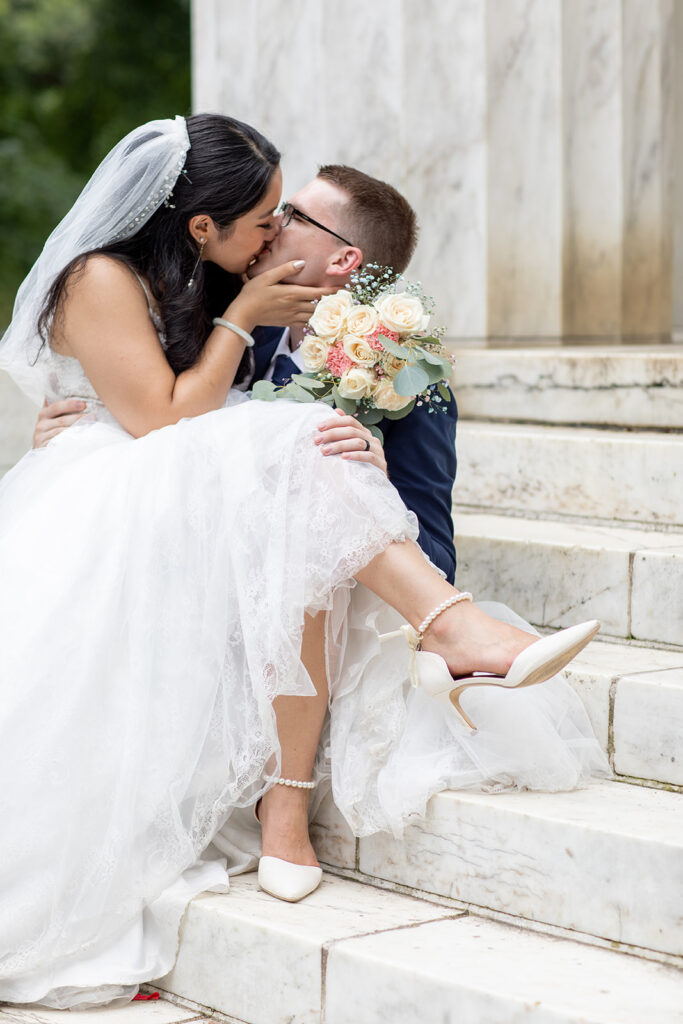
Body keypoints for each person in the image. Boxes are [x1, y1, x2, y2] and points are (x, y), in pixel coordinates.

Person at [0, 114, 607, 1010]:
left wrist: (359, 446)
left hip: (216, 508)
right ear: (201, 225)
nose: (272, 234)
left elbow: (408, 486)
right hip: (128, 503)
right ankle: (451, 628)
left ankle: (380, 702)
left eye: (287, 220)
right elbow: (165, 417)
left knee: (302, 479)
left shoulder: (372, 339)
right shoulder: (127, 278)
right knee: (288, 452)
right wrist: (237, 325)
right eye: (264, 219)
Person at [32, 164, 459, 581]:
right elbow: (166, 422)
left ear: (344, 257)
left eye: (294, 215)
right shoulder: (225, 326)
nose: (272, 223)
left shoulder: (405, 384)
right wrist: (85, 434)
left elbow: (441, 564)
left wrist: (372, 489)